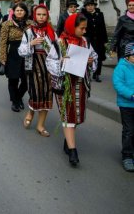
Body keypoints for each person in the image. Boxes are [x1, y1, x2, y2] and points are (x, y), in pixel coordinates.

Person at [46, 13, 98, 167]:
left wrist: (90, 62)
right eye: (81, 28)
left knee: (76, 115)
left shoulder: (86, 43)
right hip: (64, 86)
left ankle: (68, 141)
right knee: (68, 116)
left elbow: (94, 58)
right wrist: (62, 63)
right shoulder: (59, 43)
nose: (84, 31)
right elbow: (50, 63)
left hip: (81, 85)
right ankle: (73, 151)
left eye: (85, 28)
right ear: (71, 27)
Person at [18, 5, 56, 137]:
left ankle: (41, 125)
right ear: (34, 15)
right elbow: (21, 51)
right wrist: (31, 43)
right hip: (33, 64)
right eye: (39, 14)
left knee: (47, 94)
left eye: (44, 15)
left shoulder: (51, 31)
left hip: (48, 65)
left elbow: (58, 50)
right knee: (35, 92)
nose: (41, 17)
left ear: (47, 16)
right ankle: (31, 111)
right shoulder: (29, 31)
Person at [0, 2, 32, 112]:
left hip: (27, 54)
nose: (19, 12)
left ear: (25, 12)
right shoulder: (7, 24)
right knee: (13, 79)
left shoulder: (31, 24)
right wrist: (2, 58)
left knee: (26, 81)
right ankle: (15, 102)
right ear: (14, 11)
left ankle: (18, 97)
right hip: (13, 53)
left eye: (21, 10)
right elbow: (3, 42)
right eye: (17, 10)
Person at [112, 42, 134, 172]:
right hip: (126, 104)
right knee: (129, 130)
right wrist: (131, 95)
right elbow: (118, 84)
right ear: (128, 56)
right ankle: (127, 155)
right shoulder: (121, 67)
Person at [81, 0, 107, 82]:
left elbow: (103, 27)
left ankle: (97, 74)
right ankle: (88, 73)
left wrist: (105, 41)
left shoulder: (100, 14)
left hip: (99, 40)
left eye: (91, 5)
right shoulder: (83, 15)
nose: (90, 7)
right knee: (88, 57)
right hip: (88, 40)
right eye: (88, 5)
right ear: (85, 7)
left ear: (94, 6)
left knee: (98, 57)